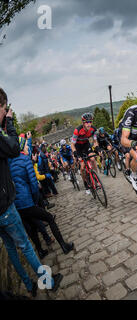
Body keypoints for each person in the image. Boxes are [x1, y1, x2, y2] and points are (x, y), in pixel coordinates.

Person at [0, 88, 62, 296]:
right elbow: (13, 148)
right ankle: (49, 282)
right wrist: (8, 123)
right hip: (5, 205)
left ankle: (28, 285)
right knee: (25, 246)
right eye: (4, 108)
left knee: (11, 249)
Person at [9, 137, 75, 258]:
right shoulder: (25, 160)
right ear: (21, 147)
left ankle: (40, 251)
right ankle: (64, 246)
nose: (28, 147)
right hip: (27, 201)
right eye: (26, 145)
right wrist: (34, 201)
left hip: (17, 205)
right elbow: (34, 185)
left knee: (32, 227)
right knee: (50, 218)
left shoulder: (8, 162)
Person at [70, 112, 99, 194]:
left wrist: (97, 148)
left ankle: (96, 177)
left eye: (90, 122)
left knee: (93, 159)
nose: (89, 124)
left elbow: (95, 141)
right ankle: (86, 184)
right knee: (82, 168)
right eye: (86, 122)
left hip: (86, 144)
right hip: (78, 147)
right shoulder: (77, 130)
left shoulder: (93, 129)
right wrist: (75, 153)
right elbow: (72, 144)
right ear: (83, 123)